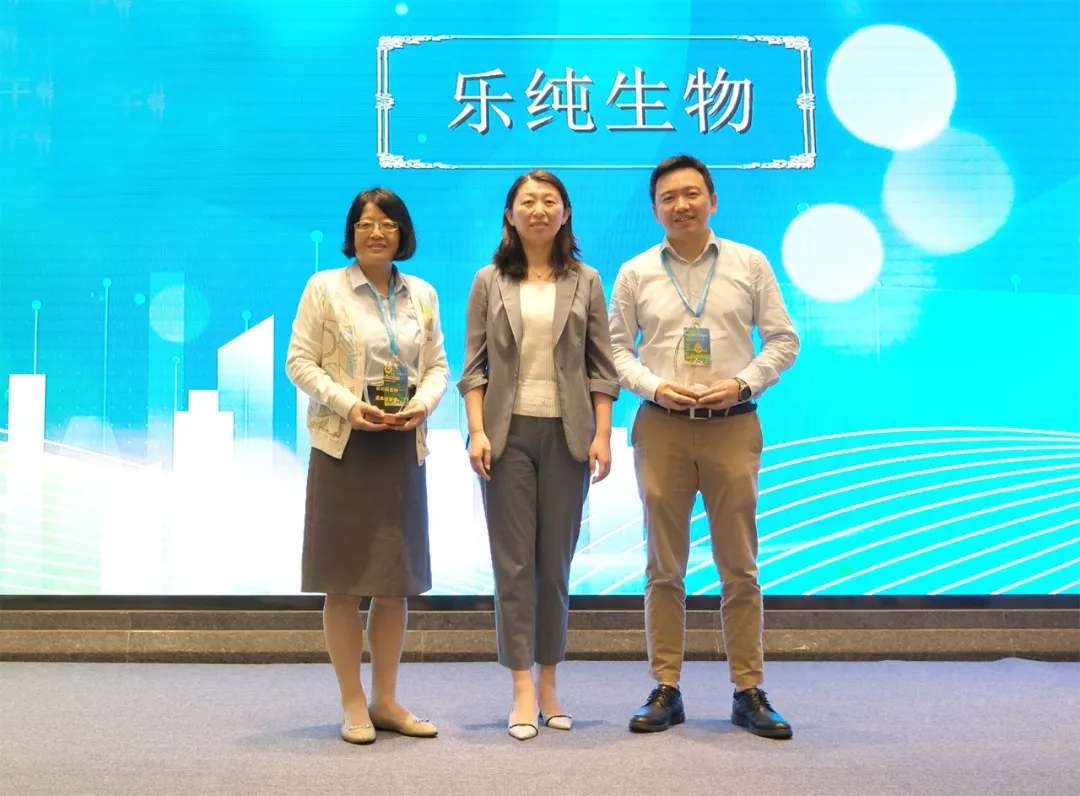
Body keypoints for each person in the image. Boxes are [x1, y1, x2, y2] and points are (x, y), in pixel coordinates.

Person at [608, 154, 800, 739]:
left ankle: (748, 690)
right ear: (655, 209)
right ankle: (666, 687)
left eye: (692, 194)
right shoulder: (635, 272)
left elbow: (783, 340)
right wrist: (654, 386)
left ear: (712, 200)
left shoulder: (749, 263)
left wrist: (742, 383)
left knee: (739, 566)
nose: (681, 205)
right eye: (668, 197)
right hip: (661, 425)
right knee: (663, 567)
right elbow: (615, 349)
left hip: (733, 425)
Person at [458, 169, 620, 741]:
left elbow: (602, 367)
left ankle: (550, 684)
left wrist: (603, 434)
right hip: (505, 437)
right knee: (513, 567)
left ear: (565, 213)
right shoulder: (488, 281)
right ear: (510, 214)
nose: (538, 209)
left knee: (555, 567)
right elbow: (473, 367)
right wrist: (476, 431)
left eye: (550, 201)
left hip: (568, 435)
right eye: (527, 201)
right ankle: (522, 688)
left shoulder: (586, 280)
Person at [286, 187, 449, 745]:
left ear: (403, 232)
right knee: (343, 583)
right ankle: (352, 701)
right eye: (364, 223)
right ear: (351, 232)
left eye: (387, 223)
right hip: (344, 446)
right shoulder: (324, 288)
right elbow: (299, 362)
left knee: (393, 583)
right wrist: (348, 405)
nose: (376, 232)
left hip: (401, 446)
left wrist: (422, 404)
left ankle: (386, 700)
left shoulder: (422, 294)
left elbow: (438, 366)